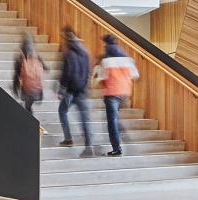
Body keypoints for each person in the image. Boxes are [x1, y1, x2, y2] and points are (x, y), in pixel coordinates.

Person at [96, 33, 139, 157]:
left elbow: (101, 77)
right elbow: (135, 75)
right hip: (124, 92)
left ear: (106, 44)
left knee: (112, 121)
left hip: (112, 93)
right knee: (115, 118)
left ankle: (116, 148)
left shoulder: (106, 60)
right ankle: (120, 140)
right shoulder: (128, 59)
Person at [58, 25, 94, 157]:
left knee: (62, 111)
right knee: (84, 119)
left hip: (71, 90)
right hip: (82, 90)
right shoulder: (85, 52)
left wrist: (62, 89)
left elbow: (67, 72)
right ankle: (88, 146)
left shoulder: (68, 52)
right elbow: (89, 71)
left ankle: (68, 139)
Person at [13, 33, 47, 120]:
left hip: (27, 88)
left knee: (27, 107)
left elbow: (16, 76)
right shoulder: (37, 57)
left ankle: (29, 122)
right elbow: (46, 68)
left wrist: (15, 88)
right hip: (37, 89)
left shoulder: (19, 59)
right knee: (28, 105)